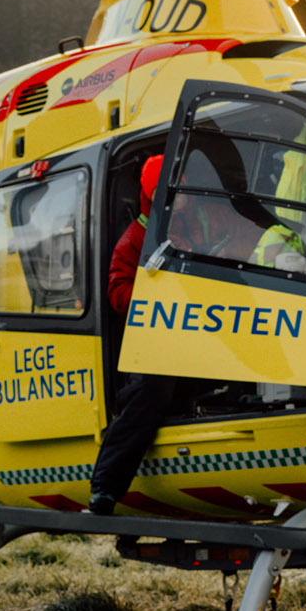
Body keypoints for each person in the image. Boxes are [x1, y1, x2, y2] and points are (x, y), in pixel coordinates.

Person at [88, 155, 176, 513]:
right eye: (163, 193)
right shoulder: (134, 240)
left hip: (202, 331)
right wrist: (156, 295)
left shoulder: (198, 222)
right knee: (146, 396)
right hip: (155, 341)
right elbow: (117, 292)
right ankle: (106, 486)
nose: (171, 200)